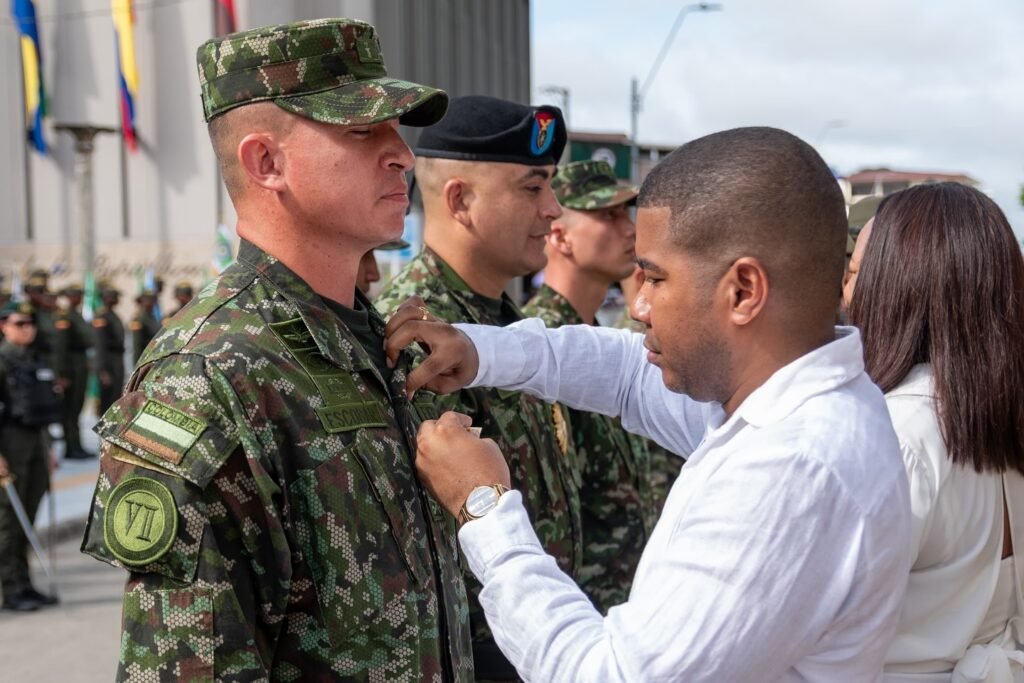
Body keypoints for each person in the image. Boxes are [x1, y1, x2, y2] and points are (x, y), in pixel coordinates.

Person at [384, 126, 914, 682]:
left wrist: (483, 507)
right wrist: (480, 350)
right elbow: (626, 373)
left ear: (742, 291)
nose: (637, 306)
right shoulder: (784, 402)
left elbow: (610, 674)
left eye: (656, 278)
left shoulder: (793, 466)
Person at [80, 18, 472, 681]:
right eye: (362, 131)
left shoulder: (371, 339)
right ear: (267, 162)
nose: (402, 155)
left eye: (396, 130)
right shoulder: (206, 377)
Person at [374, 95, 582, 680]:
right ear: (459, 200)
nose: (554, 209)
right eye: (532, 187)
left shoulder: (505, 327)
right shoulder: (413, 335)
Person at [844, 183, 1024, 682]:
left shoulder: (896, 434)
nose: (845, 292)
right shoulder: (999, 417)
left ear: (894, 288)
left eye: (856, 273)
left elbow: (821, 627)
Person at [522, 159, 674, 612]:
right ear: (560, 236)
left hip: (621, 605)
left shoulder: (602, 339)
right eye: (607, 215)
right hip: (574, 610)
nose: (629, 228)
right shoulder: (537, 344)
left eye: (626, 212)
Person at [0, 301, 61, 612]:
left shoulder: (34, 358)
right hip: (9, 443)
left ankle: (25, 584)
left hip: (34, 441)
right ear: (3, 326)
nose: (28, 329)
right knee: (8, 521)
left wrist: (48, 448)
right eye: (20, 323)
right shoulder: (2, 360)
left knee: (28, 516)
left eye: (30, 323)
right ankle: (10, 589)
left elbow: (40, 408)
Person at [54, 284, 95, 460]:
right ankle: (71, 447)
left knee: (77, 409)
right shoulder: (65, 316)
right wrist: (62, 374)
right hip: (70, 367)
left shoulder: (76, 314)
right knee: (70, 410)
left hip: (79, 365)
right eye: (76, 295)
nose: (79, 298)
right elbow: (60, 347)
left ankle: (76, 444)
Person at [92, 282, 127, 414]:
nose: (117, 299)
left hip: (116, 361)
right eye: (114, 296)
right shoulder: (102, 316)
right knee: (106, 401)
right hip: (108, 363)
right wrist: (102, 370)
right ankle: (103, 426)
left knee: (115, 398)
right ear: (106, 298)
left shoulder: (113, 315)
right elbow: (100, 344)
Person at [129, 289, 160, 364]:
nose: (150, 302)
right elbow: (137, 345)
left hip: (153, 358)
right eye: (147, 300)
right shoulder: (139, 319)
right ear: (141, 302)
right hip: (144, 361)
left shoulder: (152, 317)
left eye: (152, 300)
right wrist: (137, 366)